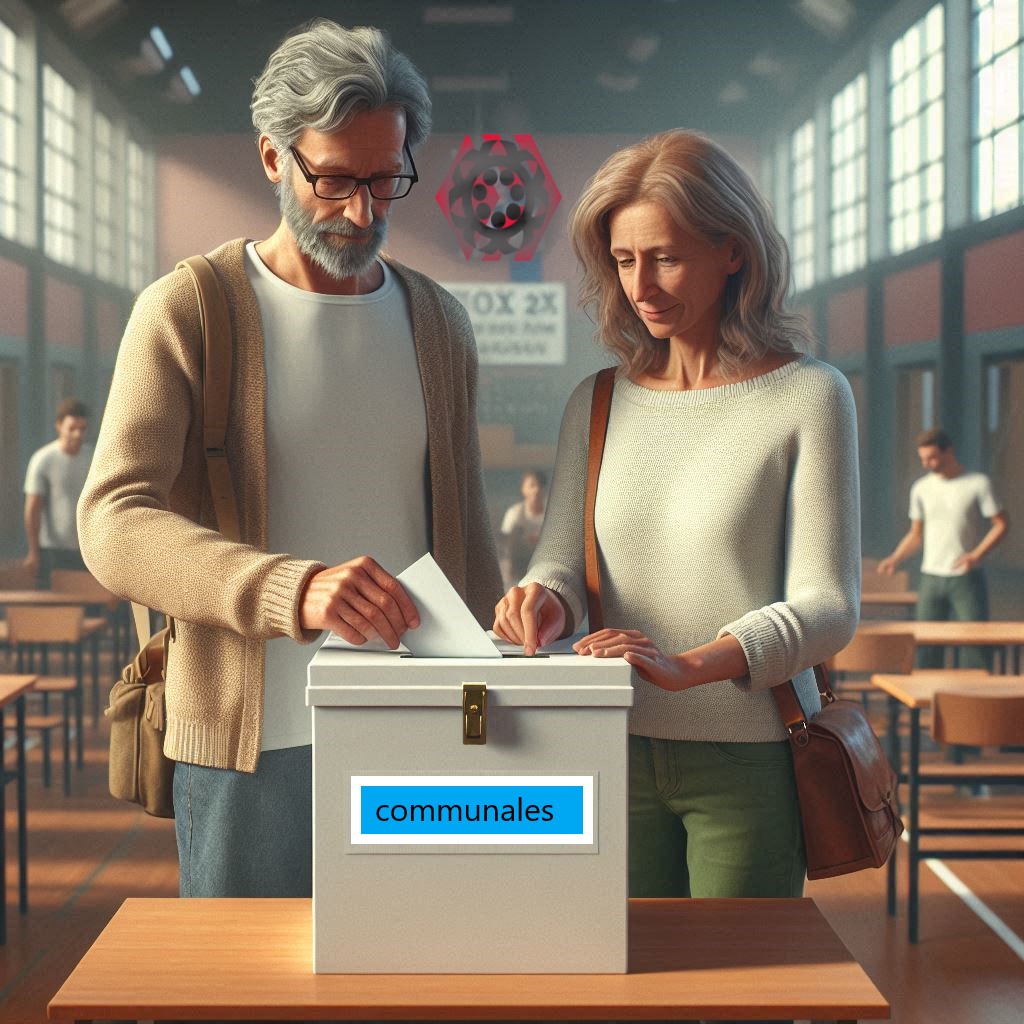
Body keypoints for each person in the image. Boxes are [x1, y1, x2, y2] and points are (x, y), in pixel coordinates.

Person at [78, 20, 501, 899]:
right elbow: (113, 521)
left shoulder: (438, 322)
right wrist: (293, 589)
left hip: (419, 735)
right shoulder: (192, 309)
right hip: (250, 750)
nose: (364, 212)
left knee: (425, 981)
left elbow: (465, 531)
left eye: (387, 180)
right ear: (273, 159)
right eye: (336, 179)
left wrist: (490, 695)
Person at [493, 130, 860, 910]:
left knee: (736, 993)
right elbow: (558, 561)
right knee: (621, 986)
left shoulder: (809, 396)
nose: (641, 286)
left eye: (664, 256)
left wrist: (688, 665)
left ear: (734, 252)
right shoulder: (595, 401)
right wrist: (542, 599)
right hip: (606, 743)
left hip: (747, 759)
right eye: (623, 260)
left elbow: (830, 605)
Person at [878, 427, 1008, 668]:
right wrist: (895, 558)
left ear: (949, 451)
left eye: (933, 457)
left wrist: (976, 555)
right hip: (931, 577)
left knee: (975, 644)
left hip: (965, 576)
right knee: (926, 646)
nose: (927, 464)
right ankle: (930, 702)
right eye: (923, 459)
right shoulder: (921, 488)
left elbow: (1001, 524)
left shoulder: (977, 483)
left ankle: (976, 701)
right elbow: (916, 534)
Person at [24, 397, 91, 587]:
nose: (78, 434)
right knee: (55, 607)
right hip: (53, 550)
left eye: (82, 429)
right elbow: (33, 508)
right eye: (72, 428)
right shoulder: (43, 459)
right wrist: (33, 551)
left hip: (86, 548)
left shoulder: (93, 458)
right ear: (59, 426)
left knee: (90, 606)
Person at [498, 469, 548, 591]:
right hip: (518, 566)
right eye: (532, 485)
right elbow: (505, 545)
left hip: (546, 565)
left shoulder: (552, 512)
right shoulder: (514, 513)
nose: (536, 490)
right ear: (523, 489)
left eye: (540, 485)